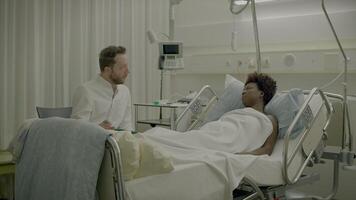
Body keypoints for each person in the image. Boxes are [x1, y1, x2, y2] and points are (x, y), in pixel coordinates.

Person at [71, 46, 132, 131]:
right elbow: (77, 129)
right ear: (107, 70)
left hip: (117, 142)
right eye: (122, 68)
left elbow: (127, 126)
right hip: (94, 142)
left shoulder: (124, 92)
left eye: (126, 66)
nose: (127, 71)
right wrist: (97, 129)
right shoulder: (86, 91)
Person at [240, 72, 278, 155]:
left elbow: (267, 149)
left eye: (248, 88)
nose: (243, 92)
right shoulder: (234, 114)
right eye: (243, 90)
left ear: (261, 93)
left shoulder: (268, 119)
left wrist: (240, 155)